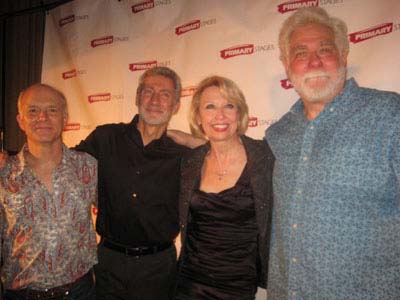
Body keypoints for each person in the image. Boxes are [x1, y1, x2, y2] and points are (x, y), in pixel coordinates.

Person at [265, 7, 400, 300]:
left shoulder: (390, 116)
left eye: (325, 49)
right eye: (300, 53)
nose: (313, 61)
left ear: (343, 55)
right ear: (287, 65)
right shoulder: (279, 133)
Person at [75, 66, 190, 300]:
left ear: (176, 105)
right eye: (148, 91)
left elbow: (220, 157)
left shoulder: (183, 154)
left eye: (165, 94)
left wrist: (195, 140)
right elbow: (64, 164)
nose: (155, 100)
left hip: (158, 267)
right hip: (109, 262)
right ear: (138, 97)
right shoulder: (105, 138)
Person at [174, 76, 274, 300]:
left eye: (229, 106)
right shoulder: (189, 162)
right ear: (198, 117)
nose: (220, 115)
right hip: (189, 281)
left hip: (237, 285)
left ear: (239, 114)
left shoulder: (265, 158)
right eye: (210, 107)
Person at [0, 84, 98, 300]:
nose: (42, 117)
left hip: (79, 292)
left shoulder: (89, 167)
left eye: (52, 110)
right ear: (20, 121)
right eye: (32, 111)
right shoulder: (4, 174)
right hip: (21, 294)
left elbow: (120, 211)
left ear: (65, 118)